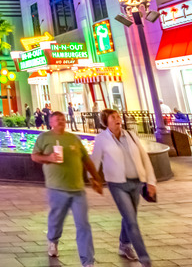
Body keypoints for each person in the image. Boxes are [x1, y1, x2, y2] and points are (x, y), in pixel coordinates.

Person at [31, 111, 103, 267]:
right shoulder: (44, 138)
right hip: (56, 188)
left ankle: (88, 261)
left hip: (78, 189)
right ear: (51, 122)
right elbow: (35, 156)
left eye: (63, 119)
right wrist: (48, 158)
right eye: (58, 119)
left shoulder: (73, 138)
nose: (61, 121)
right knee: (56, 220)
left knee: (83, 225)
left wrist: (96, 178)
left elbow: (86, 160)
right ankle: (53, 240)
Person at [91, 109, 156, 266]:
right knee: (132, 221)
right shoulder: (102, 138)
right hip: (117, 184)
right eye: (113, 117)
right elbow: (94, 160)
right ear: (106, 122)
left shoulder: (131, 135)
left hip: (136, 182)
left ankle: (124, 245)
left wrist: (151, 181)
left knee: (129, 216)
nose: (117, 119)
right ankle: (145, 259)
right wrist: (93, 179)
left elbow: (144, 158)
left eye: (118, 116)